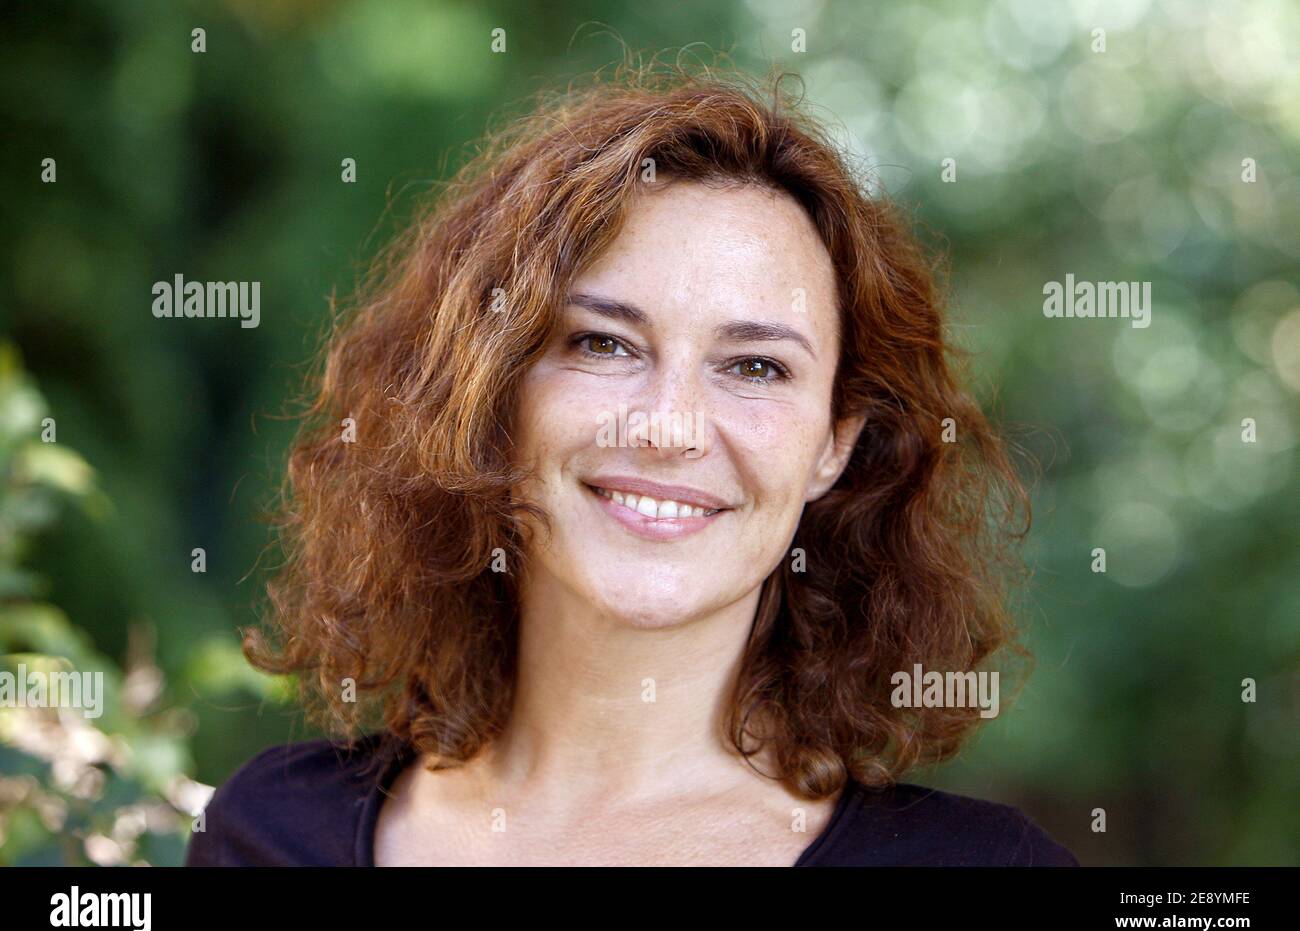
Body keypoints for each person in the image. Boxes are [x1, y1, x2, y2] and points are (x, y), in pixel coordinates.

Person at [186, 63, 1077, 867]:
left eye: (756, 366)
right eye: (604, 344)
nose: (670, 428)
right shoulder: (269, 833)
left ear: (834, 444)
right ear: (493, 394)